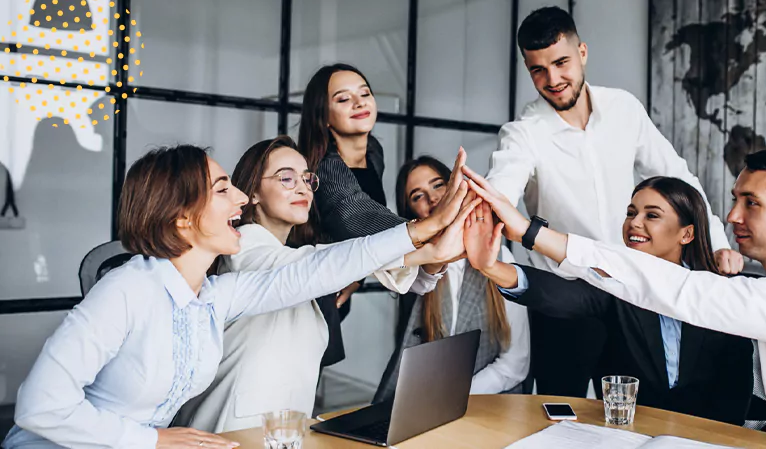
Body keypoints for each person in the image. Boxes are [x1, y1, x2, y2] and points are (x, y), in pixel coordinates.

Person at [2, 144, 476, 449]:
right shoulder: (124, 290)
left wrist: (424, 233)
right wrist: (152, 442)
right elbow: (40, 408)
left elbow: (316, 269)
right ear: (182, 217)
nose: (242, 202)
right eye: (224, 190)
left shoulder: (214, 295)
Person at [464, 147, 766, 448]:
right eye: (734, 200)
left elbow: (680, 290)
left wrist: (529, 232)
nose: (731, 217)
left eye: (751, 203)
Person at [485, 6, 743, 397]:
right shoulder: (523, 134)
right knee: (559, 413)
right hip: (563, 299)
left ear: (583, 52)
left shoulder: (624, 108)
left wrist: (719, 243)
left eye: (561, 62)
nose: (553, 79)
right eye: (538, 69)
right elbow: (499, 192)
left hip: (628, 295)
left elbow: (679, 177)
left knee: (634, 414)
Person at [173, 138, 459, 433]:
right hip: (229, 432)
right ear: (253, 192)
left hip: (282, 432)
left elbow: (414, 282)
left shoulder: (299, 256)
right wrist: (427, 237)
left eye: (307, 178)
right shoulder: (244, 249)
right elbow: (318, 265)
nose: (302, 187)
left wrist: (435, 256)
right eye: (286, 178)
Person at [466, 176, 753, 425]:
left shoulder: (718, 294)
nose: (634, 223)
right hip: (627, 436)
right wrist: (491, 267)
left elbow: (735, 391)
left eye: (651, 215)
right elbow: (561, 295)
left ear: (686, 233)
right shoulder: (617, 284)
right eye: (631, 213)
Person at [298, 63, 465, 340]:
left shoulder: (374, 152)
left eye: (364, 94)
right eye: (343, 98)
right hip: (307, 288)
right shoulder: (324, 168)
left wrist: (358, 275)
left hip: (339, 285)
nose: (358, 103)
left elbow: (364, 229)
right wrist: (435, 225)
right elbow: (357, 216)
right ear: (323, 116)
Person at [373, 157, 531, 402]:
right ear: (411, 214)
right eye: (417, 196)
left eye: (438, 185)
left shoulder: (500, 258)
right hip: (423, 399)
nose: (433, 199)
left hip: (488, 403)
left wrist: (454, 395)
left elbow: (515, 363)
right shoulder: (415, 270)